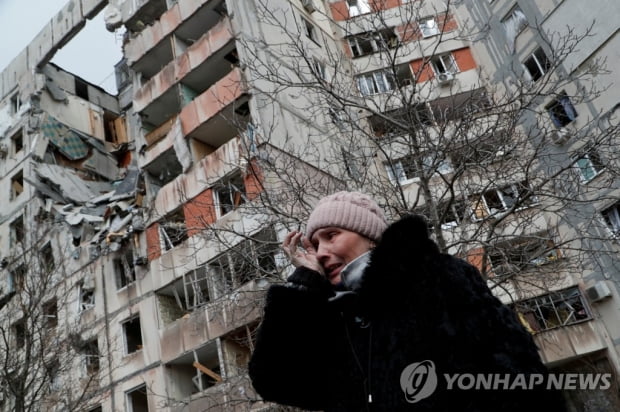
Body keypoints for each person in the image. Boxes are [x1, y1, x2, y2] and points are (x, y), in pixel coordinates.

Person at [249, 191, 566, 411]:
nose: (320, 251)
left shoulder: (435, 276)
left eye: (332, 235)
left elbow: (518, 376)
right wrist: (302, 286)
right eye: (315, 243)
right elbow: (275, 382)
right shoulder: (332, 315)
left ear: (370, 236)